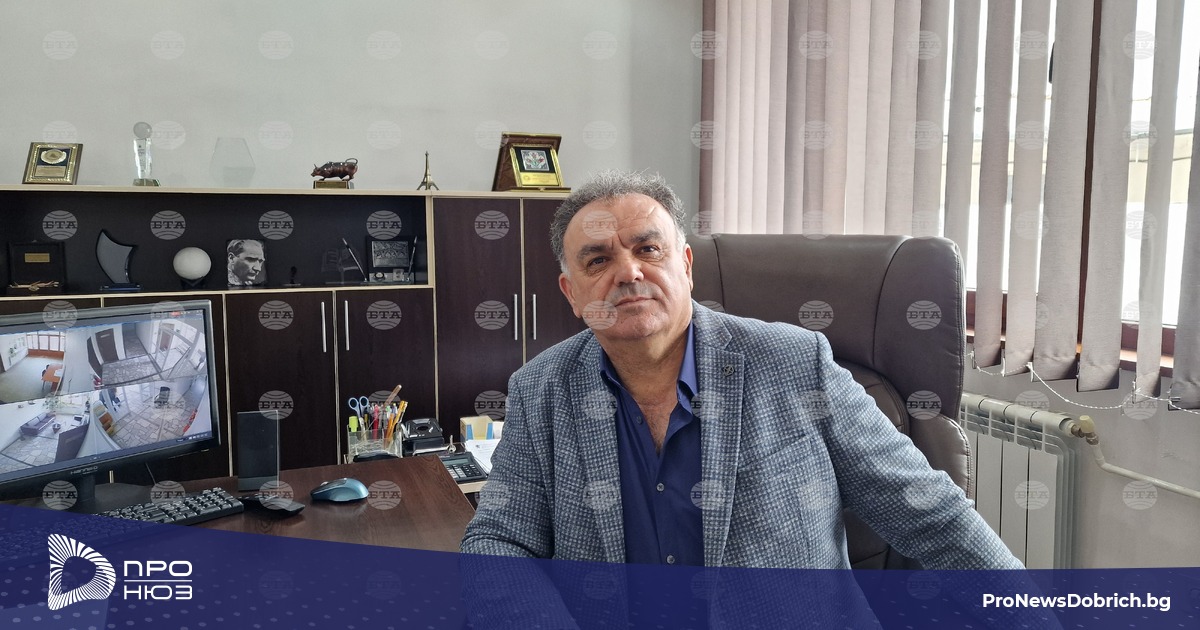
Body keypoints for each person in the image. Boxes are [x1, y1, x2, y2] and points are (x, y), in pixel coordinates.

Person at [461, 170, 1022, 570]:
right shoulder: (541, 389)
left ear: (685, 265)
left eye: (648, 249)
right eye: (598, 259)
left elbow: (928, 512)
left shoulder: (796, 363)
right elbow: (500, 538)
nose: (628, 273)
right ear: (571, 292)